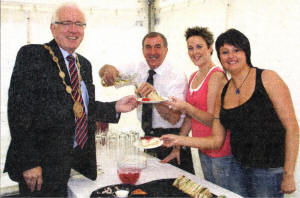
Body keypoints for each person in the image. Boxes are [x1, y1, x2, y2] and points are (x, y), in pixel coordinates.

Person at [4, 3, 137, 197]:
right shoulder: (33, 55)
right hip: (40, 165)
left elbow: (82, 108)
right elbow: (18, 112)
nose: (73, 30)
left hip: (72, 163)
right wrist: (29, 162)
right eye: (66, 23)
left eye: (79, 24)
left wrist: (115, 106)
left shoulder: (84, 64)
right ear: (53, 27)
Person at [161, 28, 299, 197]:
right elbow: (216, 141)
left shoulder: (268, 78)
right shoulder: (224, 91)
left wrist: (288, 174)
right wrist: (178, 140)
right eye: (225, 52)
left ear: (246, 51)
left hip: (268, 170)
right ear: (219, 55)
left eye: (236, 50)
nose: (231, 56)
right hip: (238, 166)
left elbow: (292, 128)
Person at [99, 32, 194, 174]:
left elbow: (174, 119)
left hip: (173, 141)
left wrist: (154, 97)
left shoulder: (176, 75)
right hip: (147, 138)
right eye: (148, 47)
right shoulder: (139, 67)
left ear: (166, 50)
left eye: (158, 47)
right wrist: (107, 71)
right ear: (143, 50)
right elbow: (107, 69)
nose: (153, 52)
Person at [161, 27, 232, 190]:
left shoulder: (216, 76)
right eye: (190, 48)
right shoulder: (193, 76)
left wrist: (186, 106)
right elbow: (189, 117)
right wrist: (177, 147)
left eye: (199, 47)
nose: (195, 52)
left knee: (222, 193)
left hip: (220, 152)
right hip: (203, 149)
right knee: (212, 191)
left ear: (210, 48)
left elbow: (211, 120)